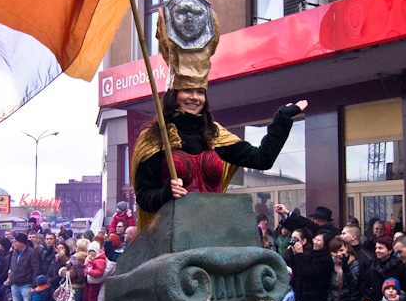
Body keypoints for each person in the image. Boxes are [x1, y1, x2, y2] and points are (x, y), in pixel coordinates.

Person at [131, 87, 306, 226]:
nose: (195, 97)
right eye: (187, 90)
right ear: (173, 95)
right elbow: (144, 197)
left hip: (215, 228)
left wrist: (282, 119)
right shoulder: (154, 138)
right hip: (173, 233)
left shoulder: (215, 134)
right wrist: (165, 193)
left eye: (200, 92)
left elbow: (262, 159)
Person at [6, 232, 40, 301]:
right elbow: (12, 267)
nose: (14, 243)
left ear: (22, 242)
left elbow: (36, 269)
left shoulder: (31, 253)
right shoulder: (14, 252)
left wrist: (33, 285)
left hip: (26, 285)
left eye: (16, 241)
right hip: (15, 284)